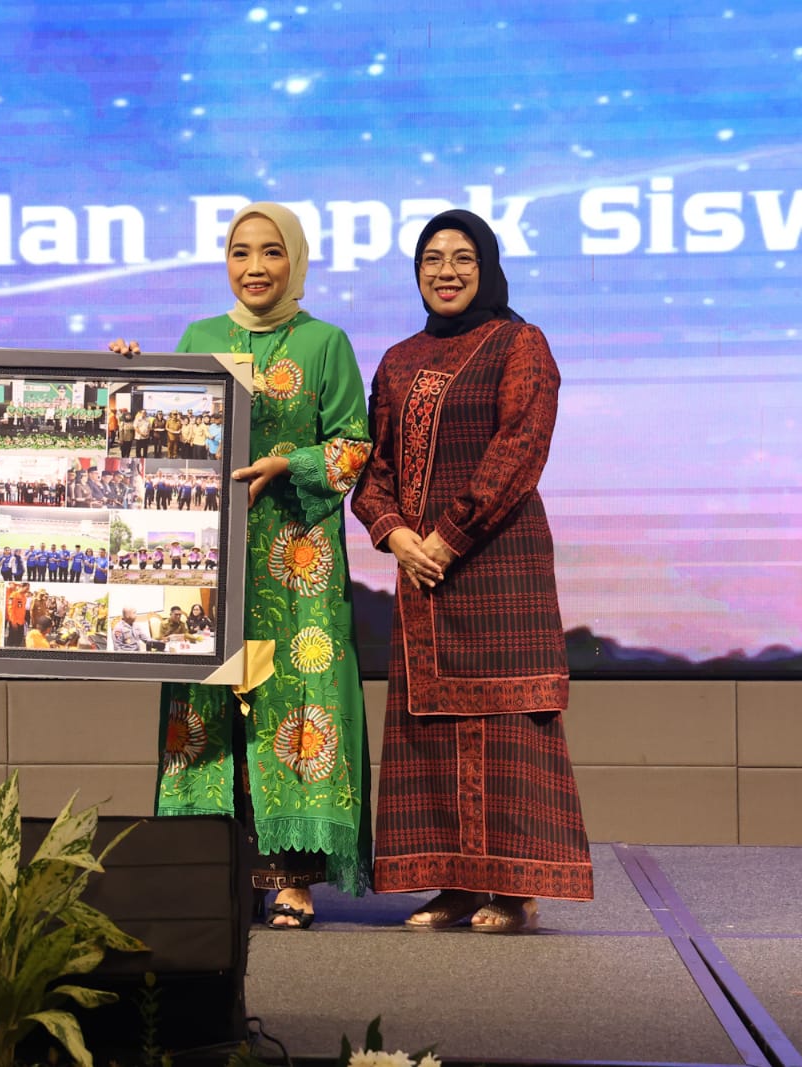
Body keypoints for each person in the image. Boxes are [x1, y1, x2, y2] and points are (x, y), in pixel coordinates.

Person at [110, 202, 372, 927]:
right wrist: (128, 374)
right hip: (210, 558)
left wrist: (289, 464)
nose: (255, 267)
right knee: (207, 707)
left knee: (297, 705)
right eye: (240, 252)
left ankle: (291, 878)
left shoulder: (324, 342)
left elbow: (354, 446)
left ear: (296, 259)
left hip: (296, 561)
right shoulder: (199, 337)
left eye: (271, 252)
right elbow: (164, 427)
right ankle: (208, 870)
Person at [351, 209, 593, 932]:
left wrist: (446, 537)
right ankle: (456, 883)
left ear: (486, 267)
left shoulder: (520, 343)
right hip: (422, 574)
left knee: (508, 724)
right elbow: (373, 469)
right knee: (432, 726)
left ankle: (513, 890)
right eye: (431, 258)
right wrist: (396, 534)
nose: (446, 271)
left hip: (497, 565)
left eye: (462, 257)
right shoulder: (399, 359)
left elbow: (519, 448)